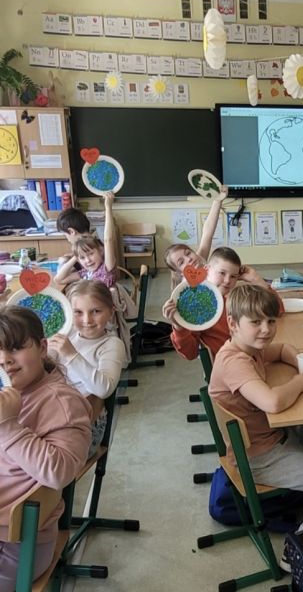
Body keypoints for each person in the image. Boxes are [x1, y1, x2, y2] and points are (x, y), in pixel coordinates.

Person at [208, 284, 303, 528]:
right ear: (233, 324)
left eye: (271, 321)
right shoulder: (234, 361)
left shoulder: (250, 348)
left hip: (275, 436)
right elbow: (272, 402)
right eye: (256, 322)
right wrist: (300, 382)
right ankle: (302, 544)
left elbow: (282, 349)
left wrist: (301, 364)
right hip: (260, 457)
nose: (266, 329)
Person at [0, 306, 91, 590]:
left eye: (16, 348)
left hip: (18, 547)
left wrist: (8, 426)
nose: (5, 360)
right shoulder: (7, 394)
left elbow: (60, 472)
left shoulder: (61, 402)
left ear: (42, 348)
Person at [48, 281, 125, 458]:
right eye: (78, 312)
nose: (87, 320)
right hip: (55, 416)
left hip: (87, 426)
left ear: (111, 312)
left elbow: (104, 389)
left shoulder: (111, 344)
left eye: (96, 311)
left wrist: (71, 354)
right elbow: (45, 367)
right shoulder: (67, 334)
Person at [162, 247, 280, 360]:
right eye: (222, 273)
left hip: (254, 355)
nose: (228, 281)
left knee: (283, 351)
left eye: (233, 276)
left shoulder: (238, 296)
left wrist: (256, 280)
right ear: (207, 269)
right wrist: (178, 326)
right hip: (230, 363)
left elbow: (277, 311)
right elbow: (190, 353)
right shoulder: (199, 307)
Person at [164, 188, 228, 288]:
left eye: (188, 253)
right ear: (180, 273)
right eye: (181, 262)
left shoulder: (199, 259)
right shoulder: (188, 286)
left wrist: (218, 200)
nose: (188, 259)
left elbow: (208, 232)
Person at [55, 192, 117, 287]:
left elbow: (108, 239)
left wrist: (108, 207)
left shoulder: (105, 270)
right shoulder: (86, 272)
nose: (87, 260)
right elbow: (58, 279)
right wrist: (77, 255)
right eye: (83, 257)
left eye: (91, 253)